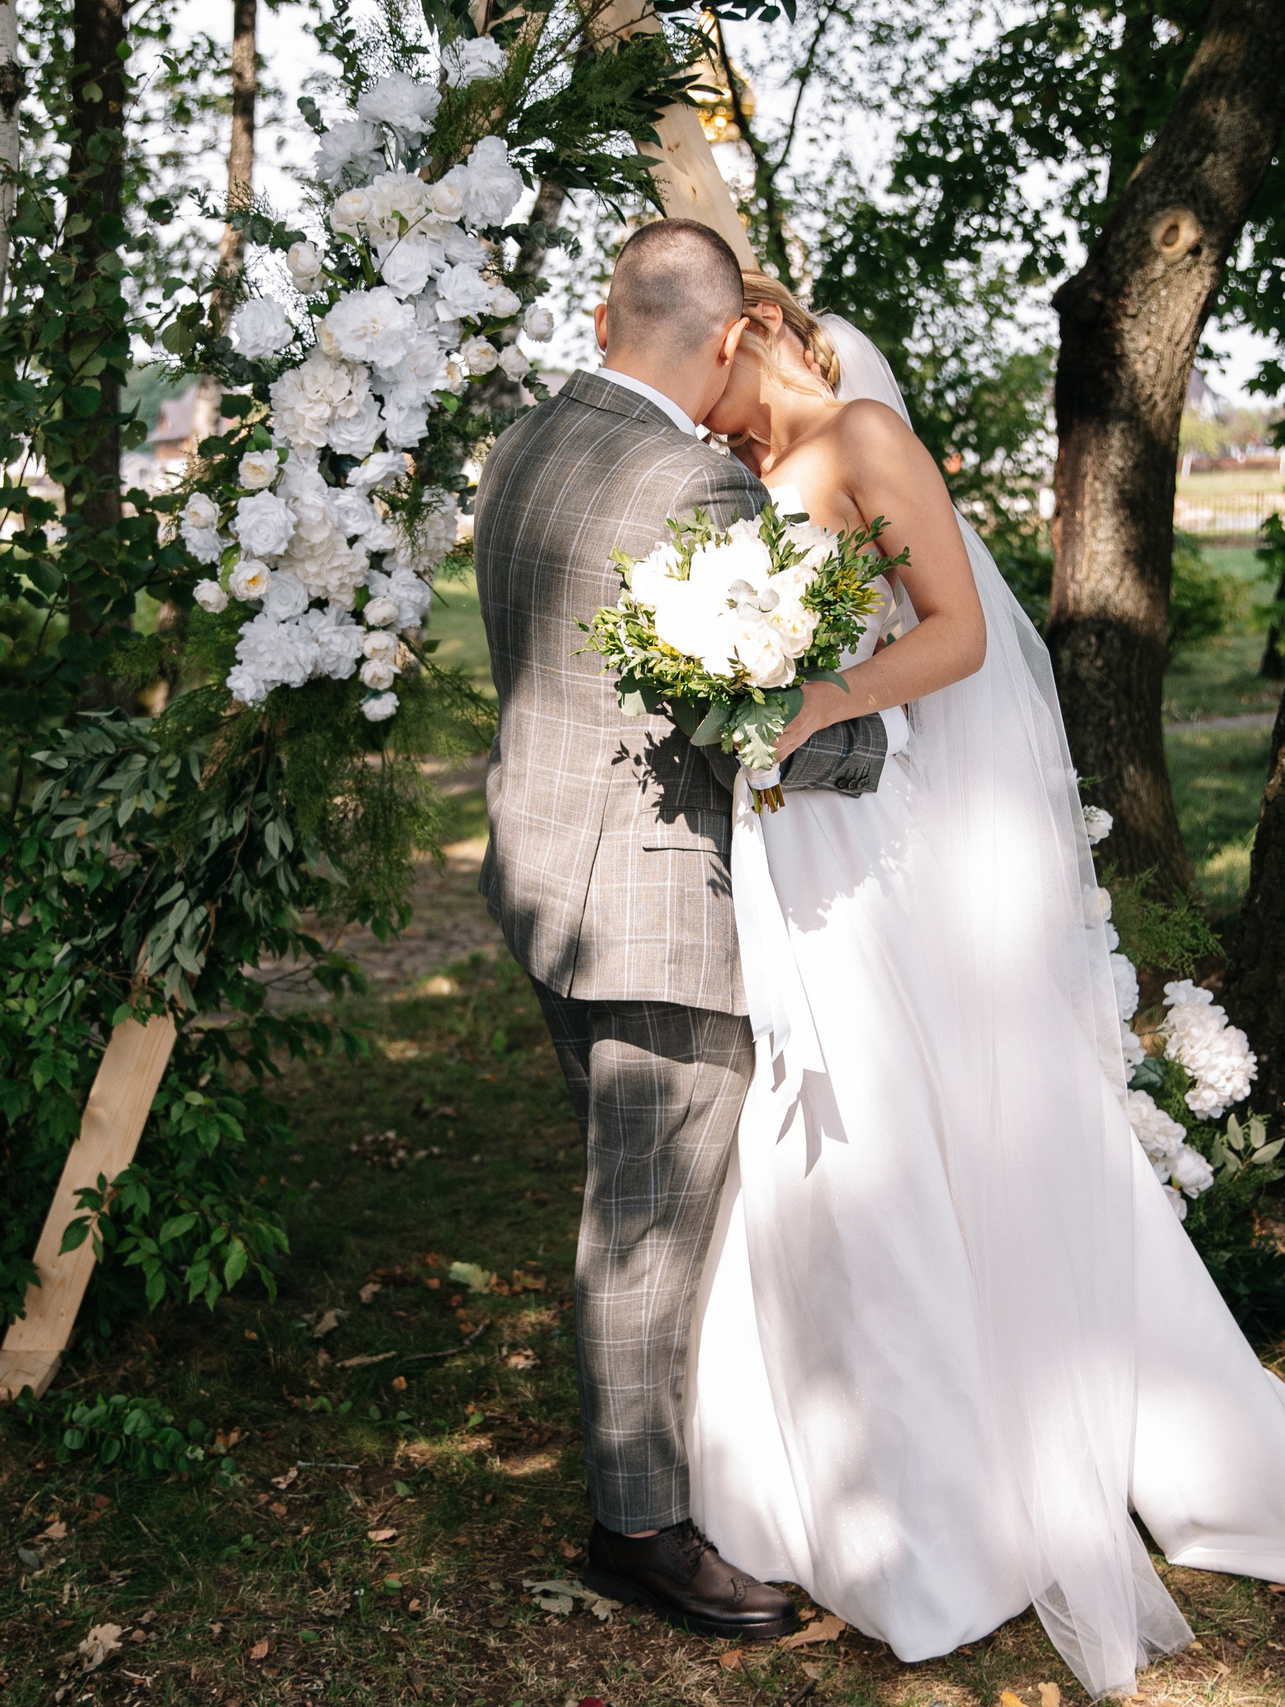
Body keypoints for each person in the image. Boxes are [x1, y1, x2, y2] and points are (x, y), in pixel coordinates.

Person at [677, 270, 1285, 1697]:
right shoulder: (740, 471)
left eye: (686, 363)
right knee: (826, 1131)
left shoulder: (864, 439)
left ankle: (963, 1498)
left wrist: (815, 693)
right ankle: (826, 1479)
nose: (678, 394)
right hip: (803, 836)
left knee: (902, 1134)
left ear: (743, 334)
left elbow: (953, 634)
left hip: (876, 831)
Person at [470, 219, 890, 1641]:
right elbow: (750, 723)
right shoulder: (697, 487)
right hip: (652, 907)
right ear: (724, 339)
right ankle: (639, 1529)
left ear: (608, 318)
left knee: (630, 1203)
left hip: (542, 877)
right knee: (644, 1227)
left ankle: (666, 1468)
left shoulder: (524, 445)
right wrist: (873, 747)